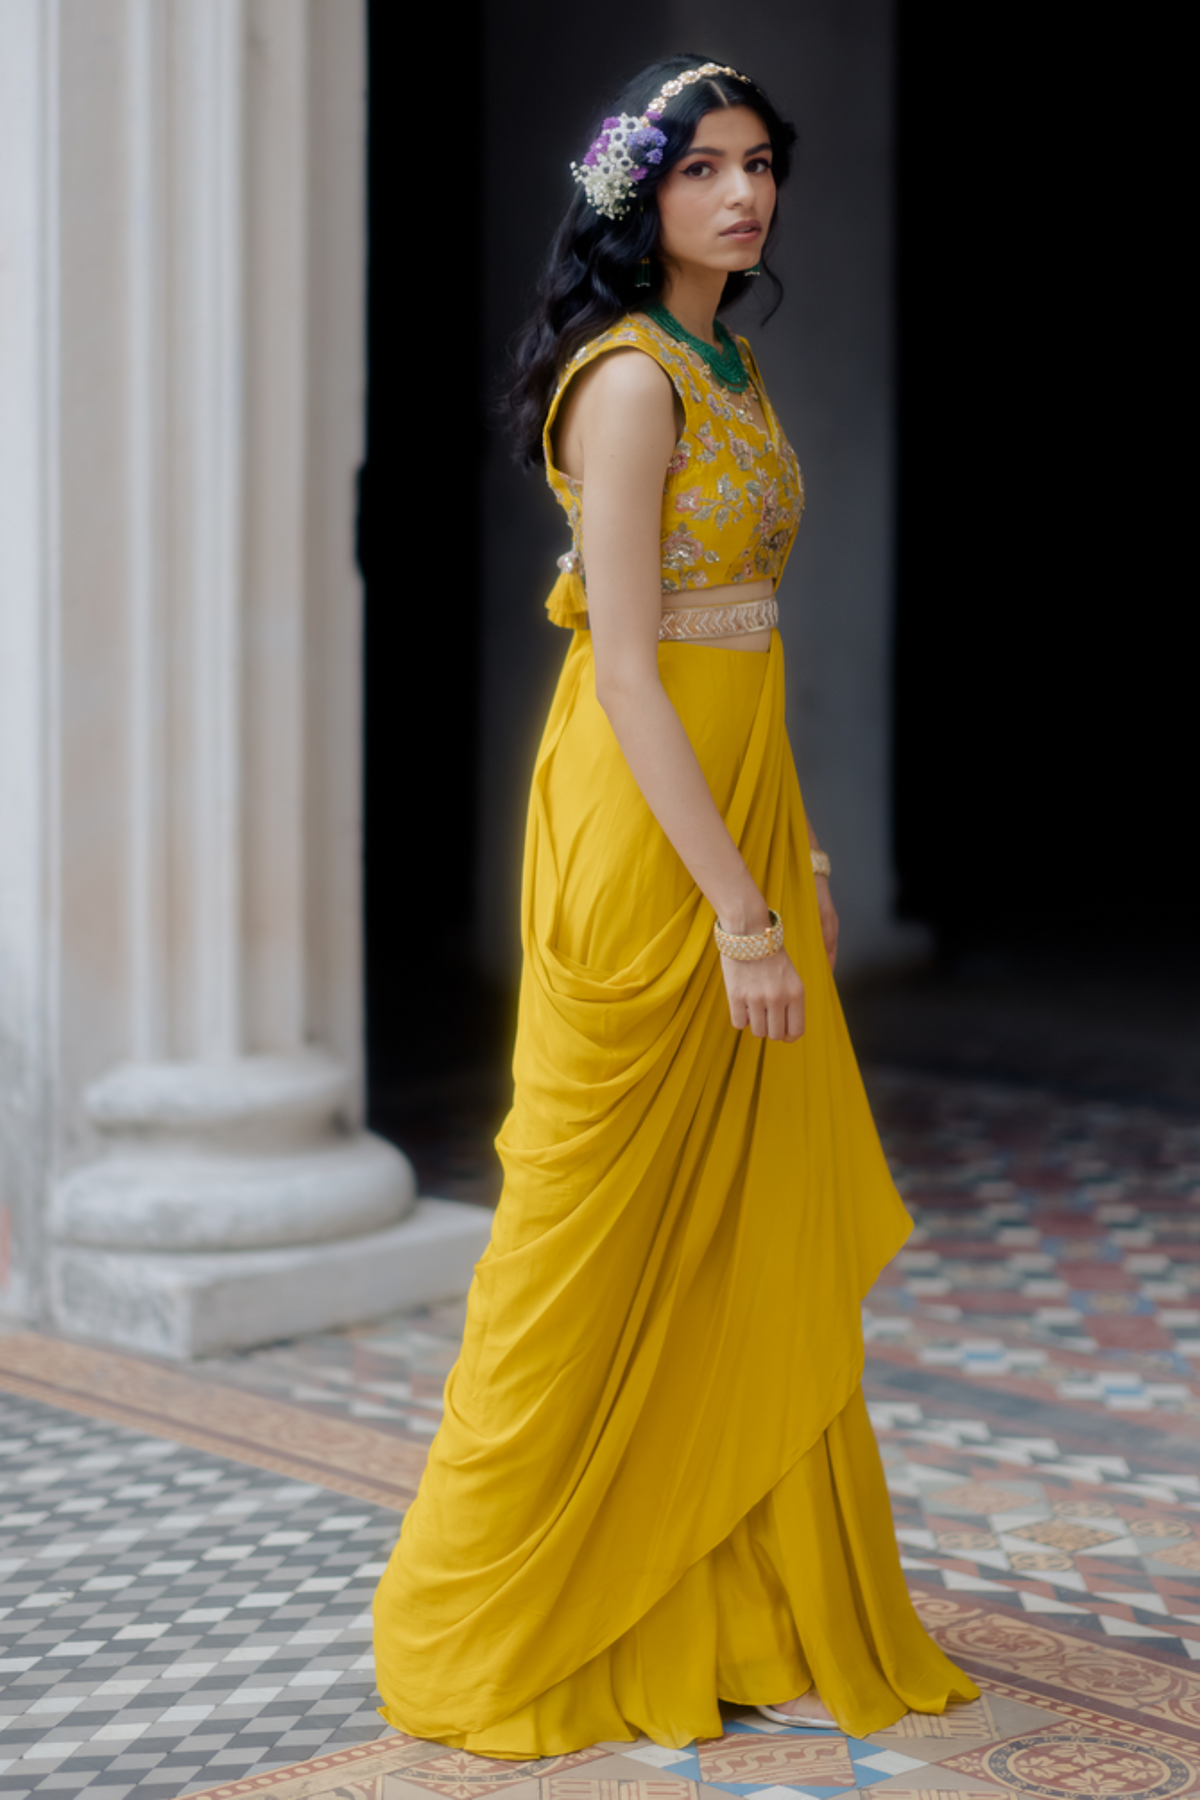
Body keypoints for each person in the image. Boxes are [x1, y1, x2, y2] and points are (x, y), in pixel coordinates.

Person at [373, 54, 977, 1756]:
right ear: (640, 196)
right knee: (601, 1230)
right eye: (703, 167)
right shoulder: (631, 382)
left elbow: (746, 644)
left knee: (732, 1226)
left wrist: (800, 860)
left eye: (759, 165)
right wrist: (740, 912)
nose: (741, 193)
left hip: (738, 821)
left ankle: (734, 1591)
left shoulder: (732, 357)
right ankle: (509, 1605)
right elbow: (633, 676)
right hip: (650, 845)